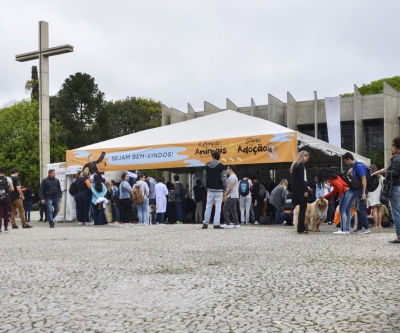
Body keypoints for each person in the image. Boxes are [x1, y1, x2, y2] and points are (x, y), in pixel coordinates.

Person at [376, 137, 400, 243]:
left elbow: (395, 173)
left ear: (396, 147)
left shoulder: (397, 158)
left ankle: (399, 236)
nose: (391, 149)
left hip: (395, 187)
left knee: (396, 212)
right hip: (397, 187)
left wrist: (384, 172)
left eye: (392, 147)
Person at [317, 167, 351, 234]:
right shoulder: (334, 176)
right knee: (347, 211)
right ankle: (347, 229)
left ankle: (343, 229)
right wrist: (324, 196)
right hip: (349, 191)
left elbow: (341, 187)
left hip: (345, 192)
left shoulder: (331, 179)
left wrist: (339, 196)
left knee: (342, 210)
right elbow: (335, 190)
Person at [343, 152, 370, 234]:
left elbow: (364, 179)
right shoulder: (355, 167)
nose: (345, 163)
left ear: (349, 159)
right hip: (358, 191)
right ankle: (360, 227)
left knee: (361, 208)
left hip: (362, 191)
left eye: (345, 161)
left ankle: (365, 227)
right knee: (358, 209)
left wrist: (363, 193)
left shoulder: (359, 166)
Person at [202, 151, 227, 229]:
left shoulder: (206, 166)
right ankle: (216, 223)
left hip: (210, 189)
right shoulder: (222, 167)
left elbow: (204, 178)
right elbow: (224, 179)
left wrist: (206, 186)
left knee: (208, 205)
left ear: (212, 156)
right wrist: (225, 188)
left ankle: (205, 223)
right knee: (218, 206)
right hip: (219, 189)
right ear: (219, 157)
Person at [290, 151, 310, 234]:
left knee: (301, 209)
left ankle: (300, 227)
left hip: (297, 189)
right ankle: (301, 227)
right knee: (303, 209)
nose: (307, 160)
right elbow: (302, 180)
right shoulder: (300, 165)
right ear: (303, 156)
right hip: (301, 190)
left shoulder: (295, 165)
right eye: (307, 158)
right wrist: (305, 190)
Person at [368, 164, 384, 229]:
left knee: (374, 210)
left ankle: (375, 225)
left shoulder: (370, 176)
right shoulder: (379, 176)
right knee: (379, 210)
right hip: (379, 195)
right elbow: (384, 182)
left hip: (372, 194)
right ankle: (380, 225)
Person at [0, 165, 14, 233]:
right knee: (6, 212)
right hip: (6, 196)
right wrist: (7, 190)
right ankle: (6, 227)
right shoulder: (8, 178)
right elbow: (12, 189)